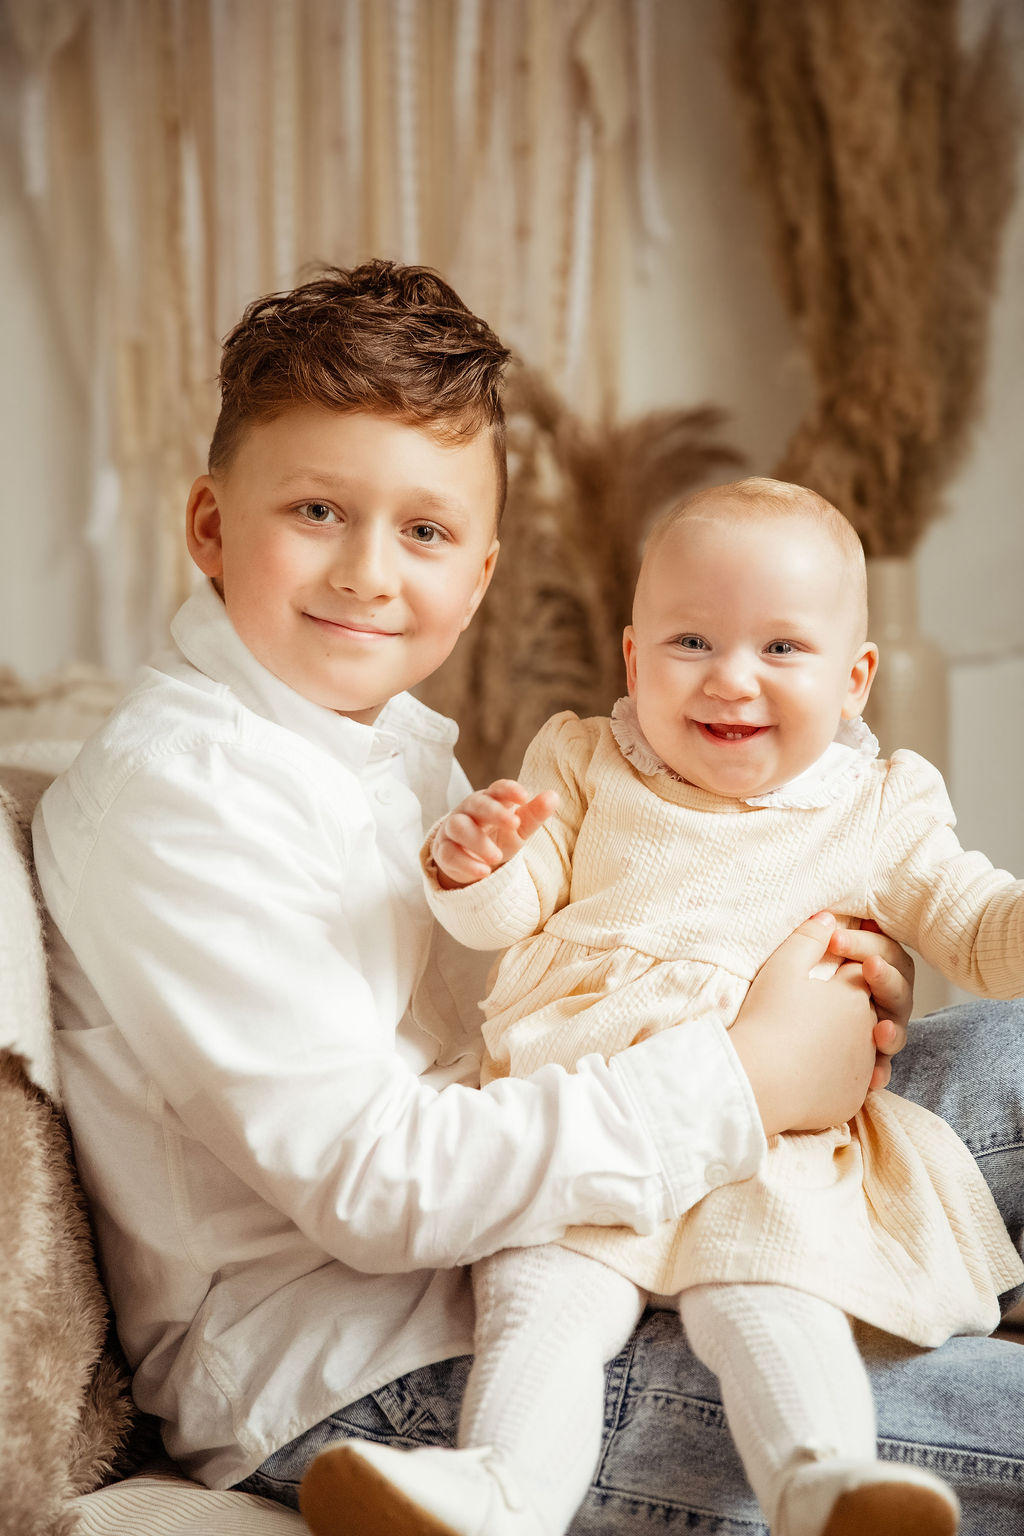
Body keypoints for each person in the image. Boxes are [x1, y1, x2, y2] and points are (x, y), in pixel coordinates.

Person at [29, 267, 1022, 1536]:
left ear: (482, 570)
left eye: (426, 532)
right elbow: (379, 1184)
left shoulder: (379, 736)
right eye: (319, 510)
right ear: (213, 526)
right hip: (383, 1360)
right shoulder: (185, 803)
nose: (370, 575)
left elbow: (560, 966)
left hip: (600, 1181)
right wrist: (749, 1076)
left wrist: (819, 977)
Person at [321, 477, 1024, 1536]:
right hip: (589, 1103)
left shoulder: (878, 805)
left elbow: (973, 922)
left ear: (854, 680)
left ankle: (821, 1479)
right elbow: (505, 914)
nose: (730, 679)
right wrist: (475, 865)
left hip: (768, 1140)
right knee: (544, 1297)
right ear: (632, 659)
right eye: (689, 641)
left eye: (781, 649)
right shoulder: (585, 763)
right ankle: (497, 1488)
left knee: (770, 1293)